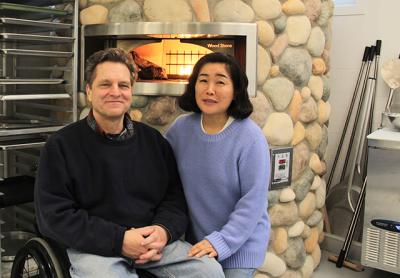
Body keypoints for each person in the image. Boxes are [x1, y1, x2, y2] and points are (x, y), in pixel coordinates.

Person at [34, 48, 224, 278]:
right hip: (95, 248)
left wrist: (163, 232)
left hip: (152, 243)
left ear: (131, 92)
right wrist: (120, 240)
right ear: (89, 91)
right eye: (105, 85)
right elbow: (53, 217)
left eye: (123, 85)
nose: (115, 92)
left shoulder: (154, 141)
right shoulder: (61, 146)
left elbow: (174, 200)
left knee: (208, 271)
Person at [165, 52, 271, 278]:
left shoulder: (250, 138)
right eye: (203, 80)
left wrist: (220, 242)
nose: (209, 89)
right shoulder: (180, 129)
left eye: (220, 82)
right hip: (198, 243)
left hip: (240, 245)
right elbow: (158, 173)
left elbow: (253, 202)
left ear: (235, 91)